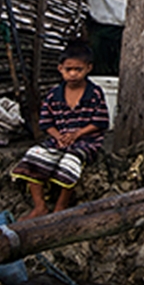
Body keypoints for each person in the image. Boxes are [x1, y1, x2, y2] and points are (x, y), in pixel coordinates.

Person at [11, 40, 109, 218]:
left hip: (86, 141)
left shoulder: (94, 93)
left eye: (78, 70)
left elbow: (100, 122)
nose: (73, 74)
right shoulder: (53, 94)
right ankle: (40, 205)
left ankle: (61, 206)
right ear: (60, 69)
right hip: (59, 139)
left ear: (88, 68)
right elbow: (46, 122)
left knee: (69, 163)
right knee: (34, 156)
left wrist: (77, 134)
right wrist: (59, 137)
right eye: (68, 69)